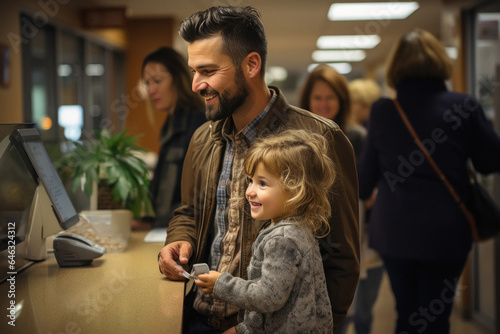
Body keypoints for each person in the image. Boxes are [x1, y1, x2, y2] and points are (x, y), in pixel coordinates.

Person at [157, 6, 360, 334]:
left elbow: (341, 260)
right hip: (198, 317)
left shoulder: (321, 139)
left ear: (251, 65)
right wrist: (179, 240)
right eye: (194, 71)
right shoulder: (203, 138)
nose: (196, 84)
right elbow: (190, 212)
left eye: (208, 71)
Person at [357, 28, 500, 334]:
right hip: (447, 231)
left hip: (395, 233)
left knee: (405, 315)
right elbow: (490, 163)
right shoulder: (466, 106)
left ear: (396, 68)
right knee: (435, 318)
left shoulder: (383, 111)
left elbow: (364, 182)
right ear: (440, 62)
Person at [195, 129, 335, 333]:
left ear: (296, 189)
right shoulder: (293, 229)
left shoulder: (283, 239)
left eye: (262, 183)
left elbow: (269, 298)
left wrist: (221, 284)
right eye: (250, 180)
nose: (250, 191)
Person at [132, 47, 206, 230]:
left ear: (178, 79)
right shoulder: (170, 124)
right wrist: (148, 221)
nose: (151, 90)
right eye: (147, 83)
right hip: (165, 229)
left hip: (183, 232)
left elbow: (199, 193)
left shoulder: (198, 121)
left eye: (157, 81)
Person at [339, 79, 383, 334]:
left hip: (369, 230)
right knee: (348, 309)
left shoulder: (365, 136)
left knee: (364, 308)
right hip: (351, 231)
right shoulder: (348, 133)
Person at [298, 64, 351, 131]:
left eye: (330, 97)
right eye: (317, 98)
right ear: (307, 100)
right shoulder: (296, 138)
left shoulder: (356, 136)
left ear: (341, 99)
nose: (323, 104)